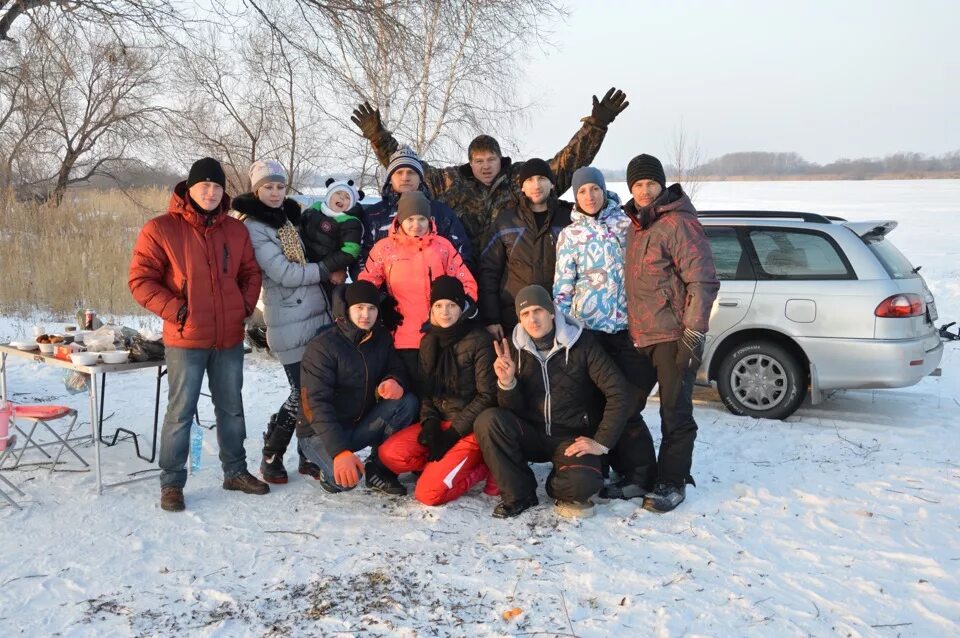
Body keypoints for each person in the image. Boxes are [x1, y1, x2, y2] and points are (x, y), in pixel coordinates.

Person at [129, 157, 268, 512]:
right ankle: (172, 483)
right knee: (180, 412)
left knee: (232, 409)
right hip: (185, 338)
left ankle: (235, 471)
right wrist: (178, 310)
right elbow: (140, 281)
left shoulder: (236, 231)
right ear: (188, 188)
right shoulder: (160, 229)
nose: (210, 192)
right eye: (204, 185)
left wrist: (242, 307)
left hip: (228, 338)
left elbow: (251, 274)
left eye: (217, 186)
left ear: (224, 192)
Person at [351, 88, 629, 257]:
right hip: (465, 267)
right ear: (470, 163)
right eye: (479, 160)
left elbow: (564, 165)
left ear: (501, 159)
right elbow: (409, 170)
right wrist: (378, 137)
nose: (485, 166)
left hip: (513, 271)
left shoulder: (520, 180)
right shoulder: (451, 182)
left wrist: (597, 125)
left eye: (491, 159)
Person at [473, 285, 629, 519]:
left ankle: (558, 482)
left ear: (552, 312)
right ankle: (520, 494)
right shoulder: (512, 347)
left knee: (583, 485)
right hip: (532, 433)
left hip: (571, 438)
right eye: (525, 314)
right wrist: (507, 382)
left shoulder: (582, 343)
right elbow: (510, 410)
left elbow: (619, 391)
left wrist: (601, 442)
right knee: (488, 421)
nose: (533, 319)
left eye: (538, 311)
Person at [552, 165, 659, 501]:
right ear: (575, 195)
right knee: (597, 404)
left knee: (626, 403)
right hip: (589, 332)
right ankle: (612, 467)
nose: (589, 196)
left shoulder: (627, 224)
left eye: (594, 189)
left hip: (627, 330)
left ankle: (641, 473)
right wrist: (565, 329)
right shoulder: (571, 235)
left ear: (603, 190)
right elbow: (562, 287)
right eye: (582, 191)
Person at [620, 153, 720, 513]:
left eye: (650, 183)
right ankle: (643, 472)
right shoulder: (636, 225)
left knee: (674, 413)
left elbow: (703, 280)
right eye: (638, 185)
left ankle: (672, 481)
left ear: (662, 185)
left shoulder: (678, 223)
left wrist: (693, 333)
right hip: (640, 335)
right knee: (625, 407)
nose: (644, 191)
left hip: (673, 335)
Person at [230, 159, 333, 485]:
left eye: (279, 187)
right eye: (268, 187)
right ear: (256, 190)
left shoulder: (288, 222)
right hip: (287, 319)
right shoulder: (254, 228)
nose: (275, 193)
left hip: (314, 316)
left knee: (311, 391)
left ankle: (306, 455)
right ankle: (272, 452)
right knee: (300, 393)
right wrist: (326, 269)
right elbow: (284, 273)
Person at [377, 276, 498, 505]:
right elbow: (426, 391)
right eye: (439, 305)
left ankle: (481, 467)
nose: (445, 312)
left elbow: (487, 396)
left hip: (468, 429)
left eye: (452, 305)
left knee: (428, 494)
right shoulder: (428, 341)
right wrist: (430, 423)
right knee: (389, 454)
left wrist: (452, 435)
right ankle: (442, 466)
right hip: (440, 421)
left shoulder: (479, 340)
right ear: (431, 308)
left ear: (462, 307)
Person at [297, 281, 419, 495]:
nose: (366, 314)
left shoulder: (380, 337)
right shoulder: (323, 346)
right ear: (347, 309)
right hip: (318, 431)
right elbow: (315, 403)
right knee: (344, 482)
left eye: (371, 308)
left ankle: (377, 467)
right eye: (359, 308)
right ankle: (326, 468)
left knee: (407, 403)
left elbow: (396, 366)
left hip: (357, 424)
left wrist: (394, 380)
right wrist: (339, 451)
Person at [358, 191, 478, 380]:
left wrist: (458, 311)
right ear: (400, 219)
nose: (416, 225)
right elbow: (364, 287)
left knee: (439, 396)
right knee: (409, 394)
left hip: (440, 336)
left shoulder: (443, 247)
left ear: (429, 219)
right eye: (410, 219)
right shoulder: (384, 248)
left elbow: (467, 284)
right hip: (401, 337)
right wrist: (382, 304)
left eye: (421, 218)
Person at [479, 158, 572, 340]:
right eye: (529, 180)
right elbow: (489, 271)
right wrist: (491, 318)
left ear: (552, 184)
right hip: (514, 316)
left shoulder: (568, 219)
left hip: (559, 316)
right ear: (522, 187)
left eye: (541, 178)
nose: (536, 185)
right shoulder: (506, 221)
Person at [354, 145, 473, 278]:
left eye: (411, 172)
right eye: (399, 172)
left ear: (420, 177)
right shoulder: (373, 215)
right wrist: (377, 296)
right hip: (384, 295)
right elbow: (360, 259)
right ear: (390, 178)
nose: (405, 177)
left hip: (436, 294)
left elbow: (461, 257)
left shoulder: (441, 214)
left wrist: (445, 293)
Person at [300, 177, 365, 289]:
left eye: (347, 197)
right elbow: (299, 226)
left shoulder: (350, 222)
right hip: (302, 264)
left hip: (327, 274)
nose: (342, 197)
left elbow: (351, 250)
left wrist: (325, 267)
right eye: (338, 193)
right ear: (329, 195)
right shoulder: (315, 208)